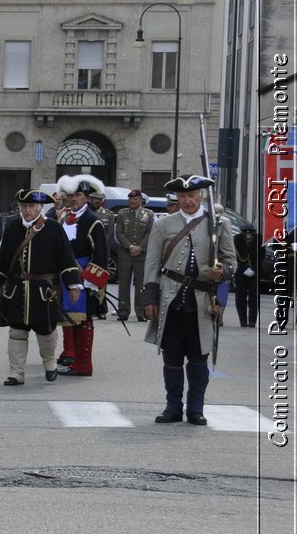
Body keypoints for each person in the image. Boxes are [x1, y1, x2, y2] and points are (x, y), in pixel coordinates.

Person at [143, 176, 235, 424]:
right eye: (182, 196)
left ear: (202, 196)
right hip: (170, 301)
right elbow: (151, 264)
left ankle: (196, 409)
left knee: (198, 359)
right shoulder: (164, 225)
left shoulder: (219, 225)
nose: (187, 200)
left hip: (202, 302)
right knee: (171, 358)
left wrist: (222, 272)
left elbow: (230, 261)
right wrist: (150, 298)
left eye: (192, 195)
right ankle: (173, 407)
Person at [0, 190, 81, 385]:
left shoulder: (53, 227)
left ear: (39, 208)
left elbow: (66, 257)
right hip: (17, 288)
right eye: (24, 206)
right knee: (17, 332)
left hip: (43, 290)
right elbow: (3, 256)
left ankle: (50, 364)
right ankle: (17, 372)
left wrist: (73, 284)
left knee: (46, 330)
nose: (27, 210)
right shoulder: (13, 225)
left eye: (31, 206)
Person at [56, 176, 109, 377]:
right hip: (67, 277)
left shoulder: (92, 221)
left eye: (78, 195)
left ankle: (84, 364)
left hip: (85, 278)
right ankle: (75, 360)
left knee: (84, 321)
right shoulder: (65, 217)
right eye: (71, 195)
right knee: (71, 320)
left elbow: (101, 256)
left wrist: (91, 283)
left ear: (86, 197)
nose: (74, 198)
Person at [111, 190, 155, 322]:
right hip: (125, 253)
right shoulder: (122, 213)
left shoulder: (149, 214)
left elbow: (150, 233)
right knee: (123, 284)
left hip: (141, 255)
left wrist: (140, 247)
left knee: (141, 284)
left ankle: (141, 312)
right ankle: (123, 310)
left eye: (135, 199)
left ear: (141, 200)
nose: (132, 202)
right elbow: (118, 232)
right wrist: (130, 247)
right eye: (130, 199)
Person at [233, 226, 262, 328]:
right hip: (241, 271)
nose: (248, 238)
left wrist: (253, 270)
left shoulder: (259, 240)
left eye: (250, 236)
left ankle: (252, 321)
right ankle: (243, 320)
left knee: (254, 297)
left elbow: (261, 257)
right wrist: (243, 269)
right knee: (240, 296)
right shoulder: (236, 240)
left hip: (255, 271)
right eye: (246, 236)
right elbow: (235, 257)